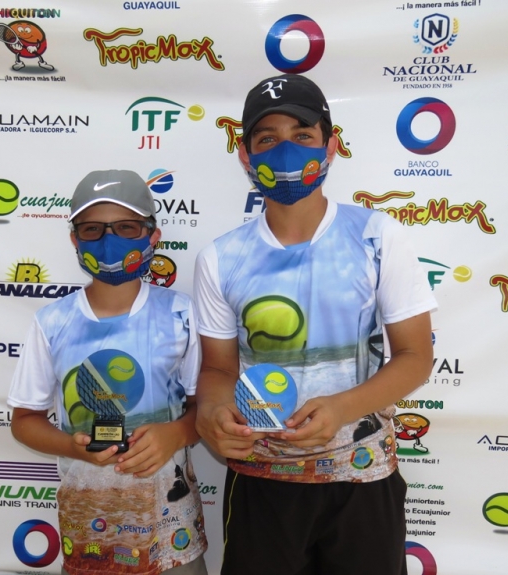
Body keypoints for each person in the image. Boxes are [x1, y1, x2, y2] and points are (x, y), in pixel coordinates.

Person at [193, 74, 437, 575]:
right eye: (267, 138)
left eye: (302, 134)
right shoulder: (220, 257)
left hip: (363, 478)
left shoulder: (377, 235)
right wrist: (213, 413)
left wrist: (342, 407)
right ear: (245, 155)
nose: (285, 149)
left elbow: (416, 358)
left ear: (331, 145)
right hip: (262, 480)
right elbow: (217, 369)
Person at [8, 169, 208, 575]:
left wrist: (175, 434)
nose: (109, 240)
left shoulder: (180, 313)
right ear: (75, 239)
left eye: (126, 227)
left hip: (172, 528)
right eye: (93, 229)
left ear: (152, 235)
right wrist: (72, 447)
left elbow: (204, 409)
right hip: (89, 527)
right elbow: (25, 421)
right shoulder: (52, 322)